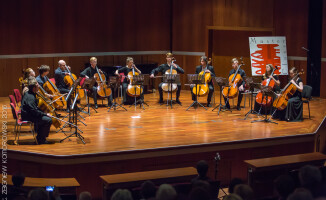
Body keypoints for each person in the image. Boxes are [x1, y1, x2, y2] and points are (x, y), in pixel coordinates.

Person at [21, 77, 53, 144]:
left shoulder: (30, 93)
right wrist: (45, 114)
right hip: (28, 116)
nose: (39, 87)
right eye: (38, 86)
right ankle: (41, 139)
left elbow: (34, 109)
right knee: (48, 120)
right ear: (34, 88)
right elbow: (34, 111)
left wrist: (42, 113)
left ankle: (40, 137)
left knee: (45, 118)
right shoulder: (31, 97)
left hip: (30, 114)